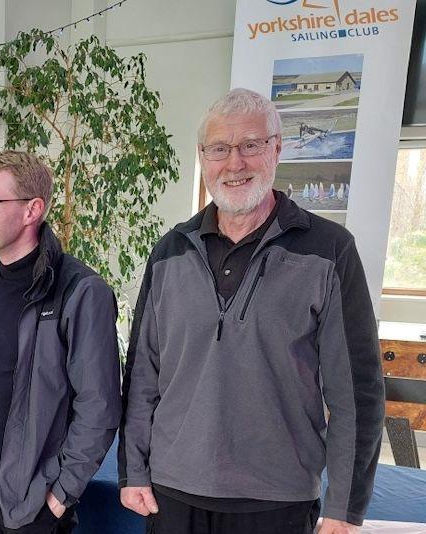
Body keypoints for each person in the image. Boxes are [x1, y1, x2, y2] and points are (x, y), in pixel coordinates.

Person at [119, 88, 385, 534]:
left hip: (278, 500)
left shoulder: (330, 251)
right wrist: (133, 471)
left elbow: (356, 392)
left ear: (277, 148)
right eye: (219, 149)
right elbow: (143, 371)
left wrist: (344, 506)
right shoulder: (170, 251)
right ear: (204, 157)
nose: (234, 163)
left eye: (251, 145)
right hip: (173, 493)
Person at [0, 150, 122, 533]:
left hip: (33, 496)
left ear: (32, 210)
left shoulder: (80, 291)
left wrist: (59, 495)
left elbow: (98, 408)